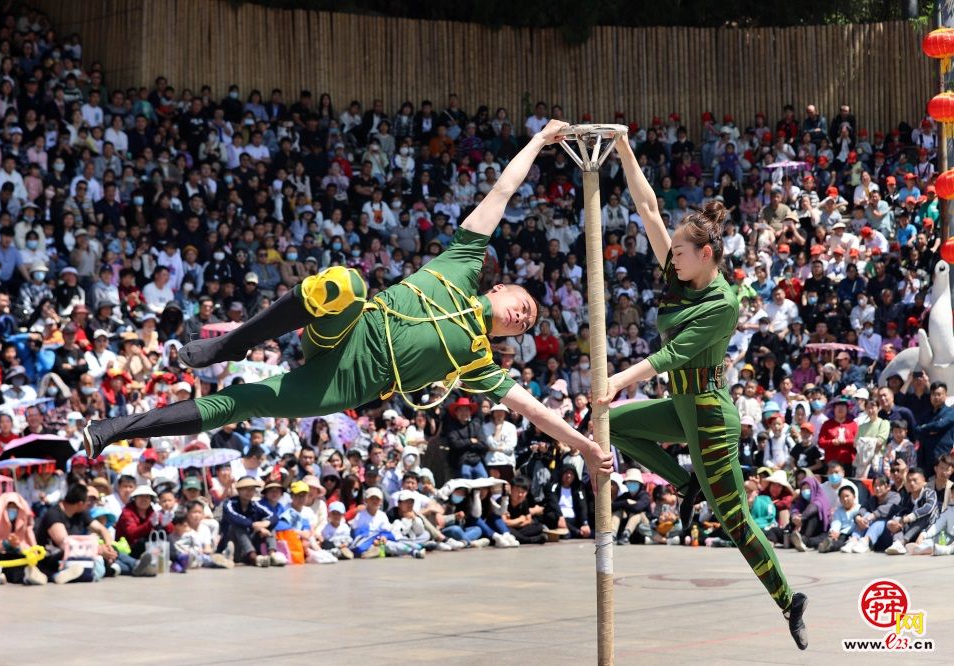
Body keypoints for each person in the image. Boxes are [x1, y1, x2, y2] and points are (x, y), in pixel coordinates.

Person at [81, 119, 613, 483]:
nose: (524, 317)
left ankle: (111, 431)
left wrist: (588, 448)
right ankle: (232, 345)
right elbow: (499, 193)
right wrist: (539, 141)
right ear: (498, 289)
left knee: (241, 404)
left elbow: (538, 412)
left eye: (526, 325)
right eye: (523, 304)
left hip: (348, 382)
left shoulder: (476, 362)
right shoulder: (459, 266)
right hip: (349, 332)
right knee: (348, 283)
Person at [602, 127, 807, 650]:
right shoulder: (680, 276)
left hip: (711, 416)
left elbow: (671, 355)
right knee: (606, 426)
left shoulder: (722, 303)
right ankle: (683, 481)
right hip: (680, 406)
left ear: (708, 253)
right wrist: (624, 146)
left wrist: (617, 379)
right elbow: (648, 208)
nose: (670, 256)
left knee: (733, 518)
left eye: (680, 251)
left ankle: (788, 600)